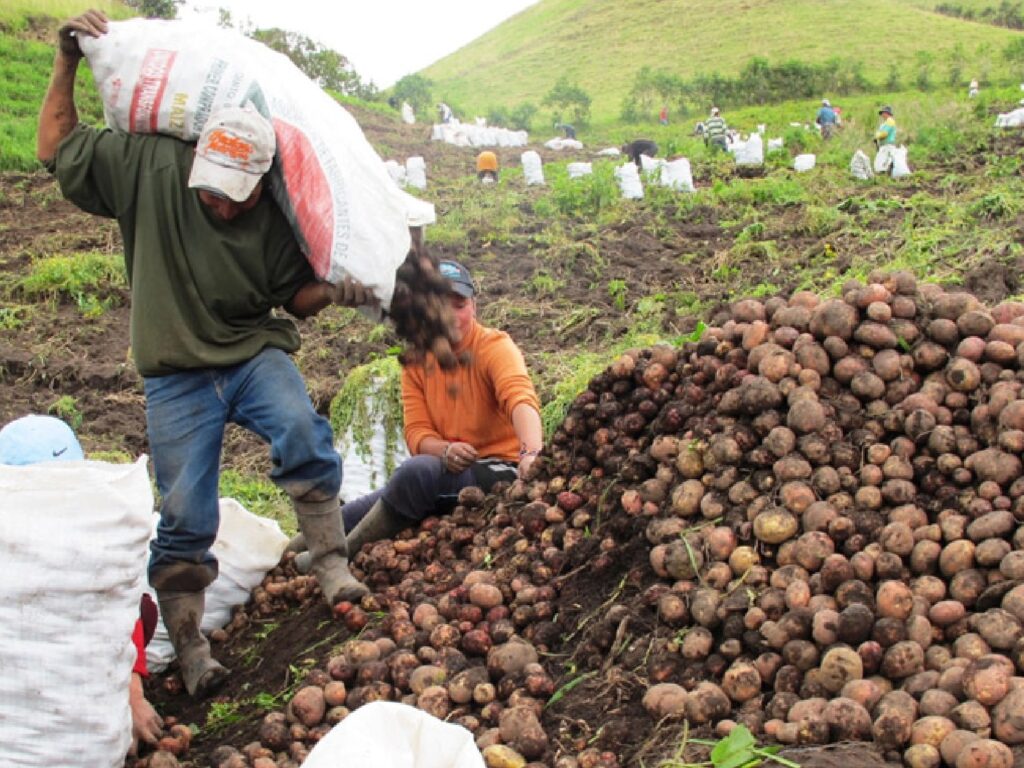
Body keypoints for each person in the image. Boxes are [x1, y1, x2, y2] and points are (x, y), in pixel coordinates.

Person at [38, 10, 372, 699]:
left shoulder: (275, 219)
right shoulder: (151, 166)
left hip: (251, 353)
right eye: (209, 188)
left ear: (260, 183)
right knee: (186, 513)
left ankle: (332, 560)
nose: (219, 204)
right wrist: (66, 62)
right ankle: (190, 646)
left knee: (302, 432)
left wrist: (337, 289)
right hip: (175, 377)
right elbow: (54, 149)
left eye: (234, 197)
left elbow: (294, 298)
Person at [292, 260, 542, 563]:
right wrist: (446, 450)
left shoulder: (494, 347)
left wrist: (530, 453)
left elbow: (520, 399)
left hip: (500, 470)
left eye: (459, 305)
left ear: (473, 307)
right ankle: (291, 550)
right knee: (359, 508)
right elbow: (417, 433)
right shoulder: (416, 363)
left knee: (416, 473)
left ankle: (340, 554)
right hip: (449, 470)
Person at [0, 415, 163, 756]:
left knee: (142, 607)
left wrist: (131, 693)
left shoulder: (91, 536)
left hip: (64, 698)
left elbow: (122, 608)